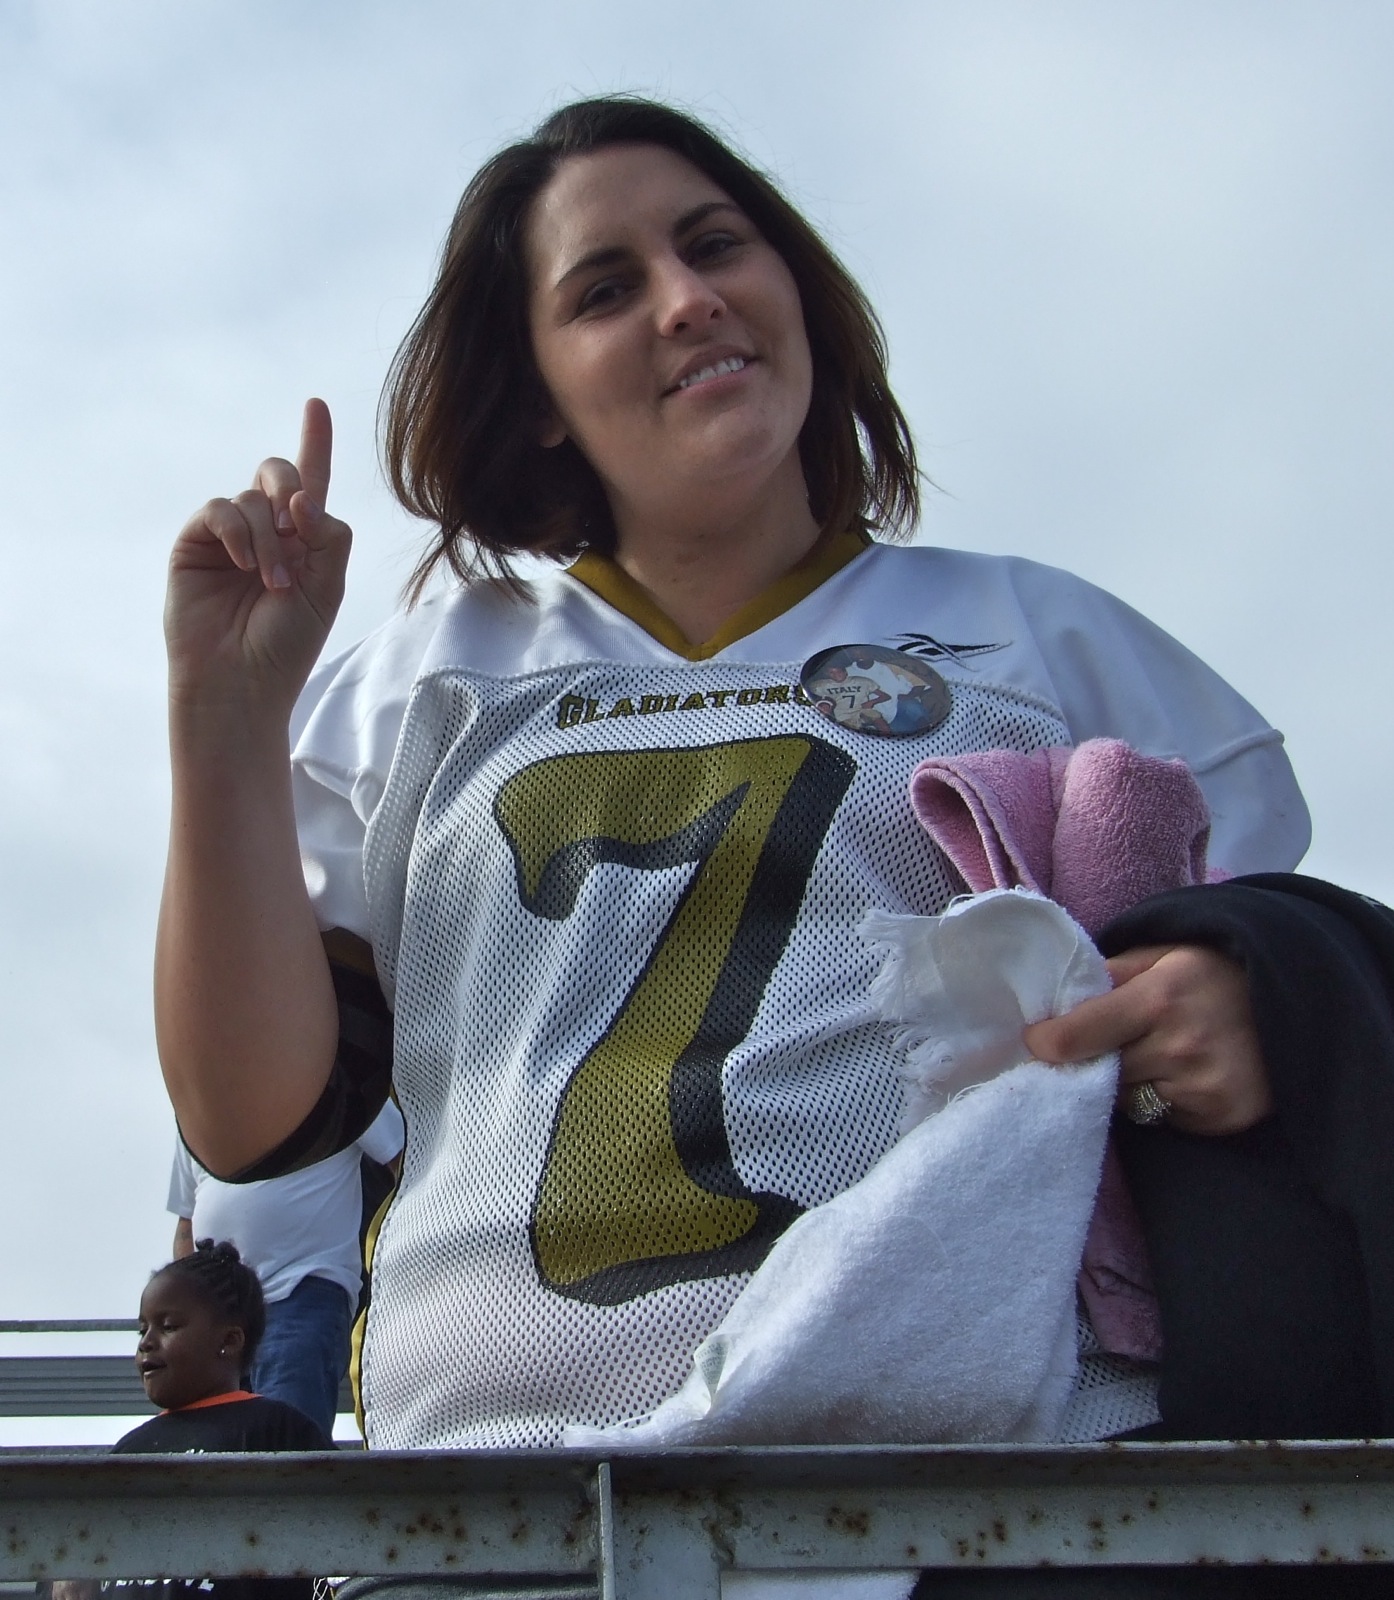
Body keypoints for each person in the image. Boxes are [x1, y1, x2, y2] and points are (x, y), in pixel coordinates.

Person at [154, 94, 1394, 1489]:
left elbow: (1243, 984)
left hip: (1011, 1484)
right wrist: (224, 715)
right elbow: (255, 1121)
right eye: (604, 289)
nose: (686, 300)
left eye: (714, 245)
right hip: (511, 1489)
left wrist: (1253, 997)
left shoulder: (1047, 639)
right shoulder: (416, 683)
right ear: (539, 395)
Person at [50, 1242, 331, 1600]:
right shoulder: (127, 1451)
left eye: (168, 1326)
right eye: (142, 1330)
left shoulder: (278, 1430)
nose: (147, 1343)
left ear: (229, 1340)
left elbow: (344, 1536)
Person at [168, 1098, 404, 1436]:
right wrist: (187, 1306)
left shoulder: (341, 1080)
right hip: (218, 1312)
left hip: (304, 1290)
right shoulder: (200, 1103)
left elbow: (406, 1163)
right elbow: (186, 1223)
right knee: (216, 1448)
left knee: (286, 1445)